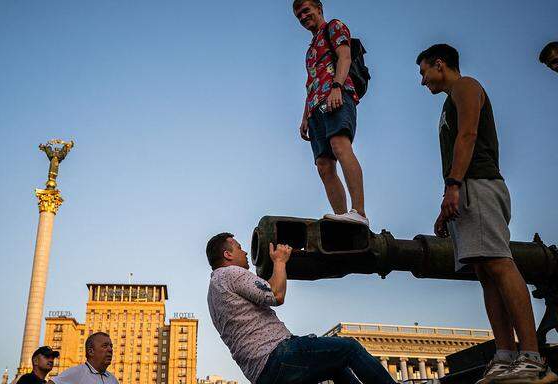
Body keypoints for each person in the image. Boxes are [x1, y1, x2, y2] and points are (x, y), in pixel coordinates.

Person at [416, 44, 557, 384]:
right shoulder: (450, 100)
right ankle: (507, 355)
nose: (422, 81)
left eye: (424, 72)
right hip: (466, 188)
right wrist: (448, 198)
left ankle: (533, 358)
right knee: (483, 270)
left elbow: (468, 135)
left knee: (498, 262)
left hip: (477, 183)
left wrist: (453, 185)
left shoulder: (466, 86)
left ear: (440, 64)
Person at [206, 232, 395, 384]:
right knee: (349, 348)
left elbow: (267, 288)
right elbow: (275, 294)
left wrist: (276, 266)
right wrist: (280, 261)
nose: (246, 252)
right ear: (227, 254)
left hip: (263, 374)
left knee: (336, 366)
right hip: (276, 356)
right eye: (239, 248)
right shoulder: (232, 273)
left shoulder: (215, 289)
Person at [293, 0, 368, 226]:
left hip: (336, 95)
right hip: (315, 106)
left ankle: (359, 212)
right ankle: (342, 219)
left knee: (340, 145)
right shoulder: (310, 50)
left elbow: (344, 57)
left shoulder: (334, 27)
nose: (304, 17)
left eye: (306, 11)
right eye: (299, 16)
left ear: (319, 8)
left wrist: (337, 87)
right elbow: (311, 82)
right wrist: (305, 115)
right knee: (324, 164)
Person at [48, 332, 118, 384]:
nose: (110, 349)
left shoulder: (113, 379)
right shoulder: (76, 372)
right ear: (91, 351)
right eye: (105, 346)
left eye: (111, 346)